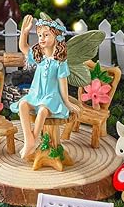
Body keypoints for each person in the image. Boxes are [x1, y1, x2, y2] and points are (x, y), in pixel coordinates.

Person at [10, 14, 80, 157]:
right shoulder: (39, 56)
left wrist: (67, 102)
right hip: (36, 94)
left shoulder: (60, 61)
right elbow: (23, 47)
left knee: (42, 111)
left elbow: (63, 83)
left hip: (51, 97)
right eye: (40, 35)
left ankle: (34, 139)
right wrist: (24, 32)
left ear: (56, 37)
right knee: (23, 104)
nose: (41, 38)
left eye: (46, 35)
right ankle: (29, 141)